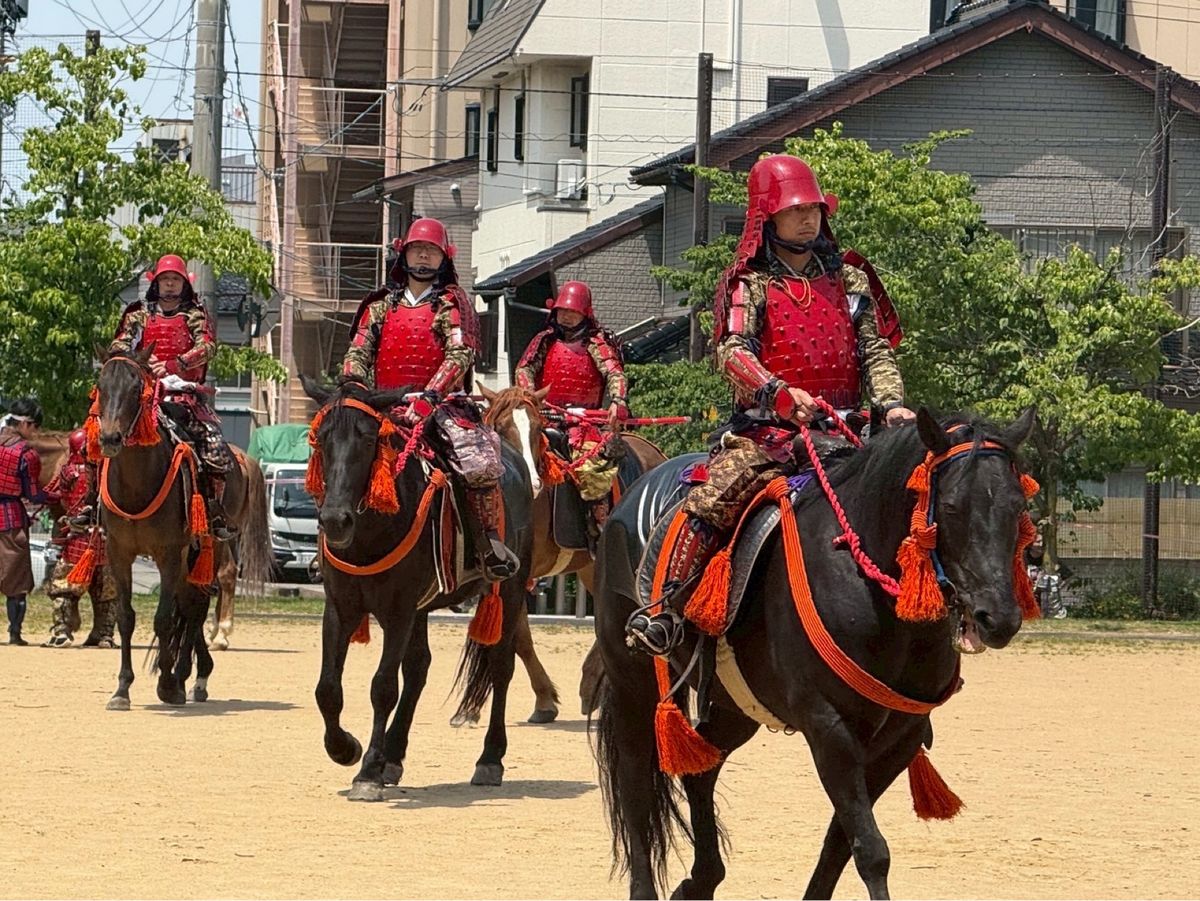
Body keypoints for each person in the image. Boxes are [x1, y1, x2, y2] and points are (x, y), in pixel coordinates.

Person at [626, 153, 916, 655]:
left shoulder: (850, 280)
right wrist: (776, 393)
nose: (808, 218)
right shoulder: (749, 282)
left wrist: (891, 405)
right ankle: (665, 610)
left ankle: (937, 605)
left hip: (848, 430)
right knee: (712, 498)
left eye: (814, 209)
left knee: (919, 489)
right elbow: (732, 351)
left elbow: (875, 350)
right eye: (795, 209)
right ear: (769, 216)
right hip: (771, 435)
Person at [340, 217, 519, 581]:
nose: (423, 255)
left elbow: (460, 354)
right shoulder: (380, 306)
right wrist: (355, 385)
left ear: (444, 258)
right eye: (417, 249)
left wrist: (431, 395)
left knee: (477, 461)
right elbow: (359, 350)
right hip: (384, 402)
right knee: (339, 450)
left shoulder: (451, 304)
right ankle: (334, 540)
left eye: (431, 250)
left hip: (440, 406)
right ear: (403, 254)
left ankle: (487, 544)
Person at [109, 253, 237, 541]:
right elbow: (118, 343)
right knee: (96, 436)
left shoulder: (195, 313)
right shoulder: (137, 313)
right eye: (165, 280)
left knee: (213, 448)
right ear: (155, 282)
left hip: (182, 395)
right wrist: (138, 359)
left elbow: (207, 346)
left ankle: (213, 510)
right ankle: (91, 506)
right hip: (142, 392)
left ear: (184, 284)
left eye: (175, 280)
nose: (169, 285)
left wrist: (174, 364)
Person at [514, 280, 629, 543]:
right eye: (562, 310)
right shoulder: (544, 341)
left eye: (572, 311)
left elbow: (614, 373)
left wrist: (618, 401)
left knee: (592, 470)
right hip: (544, 416)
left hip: (582, 421)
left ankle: (600, 527)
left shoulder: (596, 344)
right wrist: (530, 394)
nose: (565, 316)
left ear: (584, 313)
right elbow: (524, 369)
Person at [42, 429, 117, 648]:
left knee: (63, 588)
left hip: (77, 540)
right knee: (107, 592)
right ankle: (105, 635)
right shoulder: (107, 472)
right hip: (104, 539)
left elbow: (64, 499)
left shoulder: (69, 471)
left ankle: (62, 632)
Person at [0, 399, 60, 646]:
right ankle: (15, 633)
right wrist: (56, 495)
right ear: (24, 423)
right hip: (10, 517)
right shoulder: (26, 453)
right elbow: (32, 493)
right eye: (34, 427)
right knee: (17, 580)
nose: (34, 433)